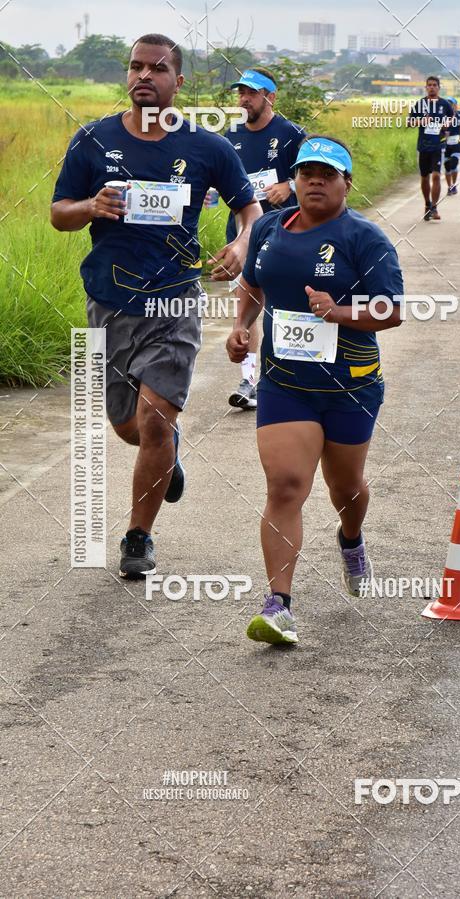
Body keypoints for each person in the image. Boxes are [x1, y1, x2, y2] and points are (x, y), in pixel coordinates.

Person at [51, 33, 261, 579]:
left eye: (157, 69)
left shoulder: (206, 147)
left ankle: (138, 537)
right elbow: (59, 214)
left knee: (152, 420)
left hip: (174, 301)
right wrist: (90, 205)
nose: (144, 76)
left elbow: (250, 212)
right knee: (126, 425)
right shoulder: (91, 140)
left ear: (178, 81)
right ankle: (167, 454)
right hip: (109, 300)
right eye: (136, 67)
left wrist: (240, 244)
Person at [225, 136, 404, 646]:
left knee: (345, 489)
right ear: (295, 180)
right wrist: (243, 327)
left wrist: (340, 312)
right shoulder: (267, 228)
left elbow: (391, 310)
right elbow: (254, 285)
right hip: (286, 385)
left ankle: (351, 539)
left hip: (350, 385)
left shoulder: (364, 239)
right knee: (285, 485)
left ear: (347, 183)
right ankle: (279, 605)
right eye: (306, 173)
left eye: (328, 174)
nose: (315, 182)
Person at [223, 67, 306, 410]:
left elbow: (317, 177)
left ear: (270, 97)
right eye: (241, 92)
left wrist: (290, 185)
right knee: (246, 308)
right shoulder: (229, 136)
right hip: (244, 235)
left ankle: (294, 374)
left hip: (287, 233)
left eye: (252, 93)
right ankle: (249, 380)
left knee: (286, 306)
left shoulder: (291, 134)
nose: (244, 99)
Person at [407, 76, 454, 220]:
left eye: (434, 85)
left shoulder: (444, 104)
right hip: (423, 146)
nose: (432, 87)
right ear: (426, 87)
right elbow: (409, 122)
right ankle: (427, 204)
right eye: (429, 85)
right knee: (424, 177)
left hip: (438, 146)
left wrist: (447, 123)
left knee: (436, 176)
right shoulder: (420, 104)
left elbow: (453, 118)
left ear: (439, 87)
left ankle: (434, 207)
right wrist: (421, 120)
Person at [442, 97, 460, 195]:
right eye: (448, 103)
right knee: (447, 166)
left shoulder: (459, 114)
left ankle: (454, 184)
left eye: (451, 103)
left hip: (457, 142)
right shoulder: (442, 115)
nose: (449, 105)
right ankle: (449, 186)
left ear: (455, 105)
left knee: (454, 164)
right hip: (445, 143)